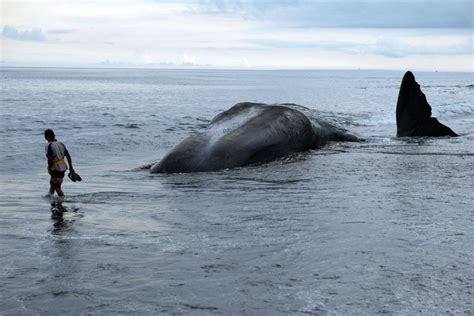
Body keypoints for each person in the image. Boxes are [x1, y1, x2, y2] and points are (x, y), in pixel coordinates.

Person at [44, 129, 74, 198]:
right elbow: (68, 156)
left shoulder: (48, 145)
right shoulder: (61, 144)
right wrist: (71, 168)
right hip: (63, 167)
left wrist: (50, 168)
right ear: (54, 136)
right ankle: (50, 199)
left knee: (57, 187)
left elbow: (49, 158)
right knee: (53, 184)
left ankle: (62, 200)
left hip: (55, 168)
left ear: (45, 137)